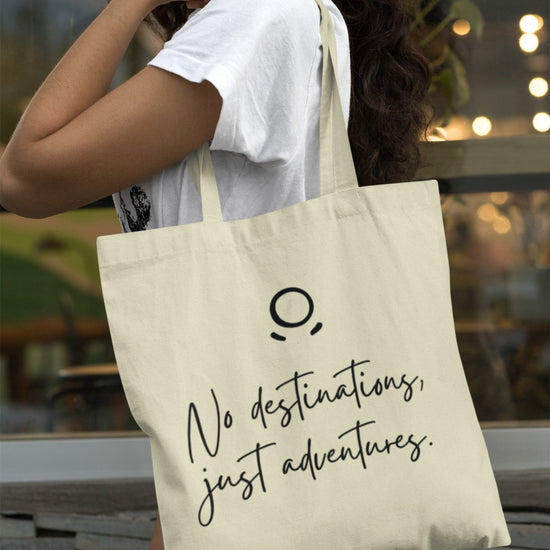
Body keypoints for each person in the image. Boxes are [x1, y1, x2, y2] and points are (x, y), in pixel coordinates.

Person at [0, 0, 431, 547]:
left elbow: (24, 177)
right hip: (261, 432)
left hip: (252, 439)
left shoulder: (252, 21)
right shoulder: (278, 20)